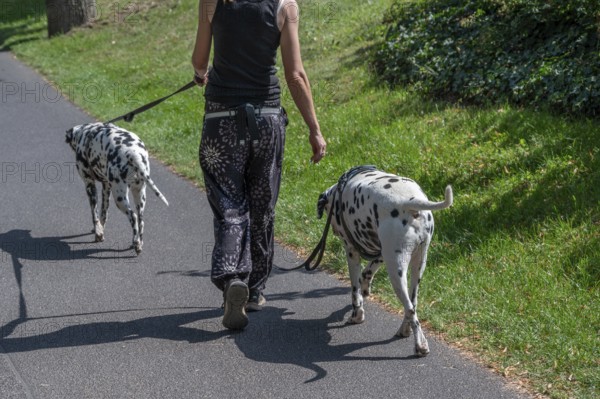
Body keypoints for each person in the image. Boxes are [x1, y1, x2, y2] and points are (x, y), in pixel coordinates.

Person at [191, 0, 327, 330]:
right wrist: (314, 129)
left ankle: (232, 277)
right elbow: (295, 74)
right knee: (262, 206)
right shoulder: (285, 6)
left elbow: (199, 61)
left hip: (221, 120)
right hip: (267, 121)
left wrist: (200, 75)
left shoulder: (213, 2)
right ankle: (254, 290)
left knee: (229, 205)